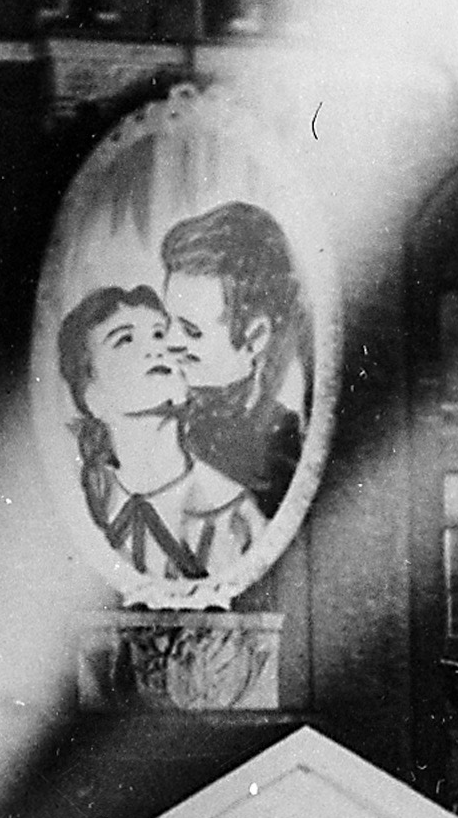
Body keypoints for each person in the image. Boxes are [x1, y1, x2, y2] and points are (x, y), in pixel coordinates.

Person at [56, 285, 264, 586]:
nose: (157, 349)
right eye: (125, 340)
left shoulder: (234, 513)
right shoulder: (89, 514)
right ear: (91, 397)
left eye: (159, 334)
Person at [157, 200, 309, 521]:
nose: (169, 342)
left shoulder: (280, 457)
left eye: (191, 330)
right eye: (167, 322)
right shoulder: (162, 417)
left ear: (255, 338)